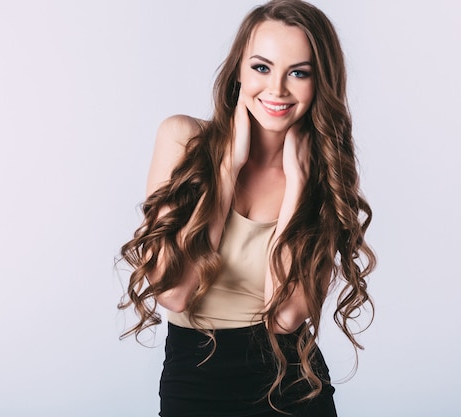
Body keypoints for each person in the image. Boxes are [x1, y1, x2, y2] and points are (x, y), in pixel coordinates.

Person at [119, 1, 376, 415]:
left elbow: (285, 319)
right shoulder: (182, 140)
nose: (277, 89)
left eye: (299, 72)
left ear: (319, 82)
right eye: (262, 67)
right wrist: (227, 169)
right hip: (193, 380)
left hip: (294, 388)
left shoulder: (323, 177)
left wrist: (297, 187)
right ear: (238, 69)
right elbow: (174, 292)